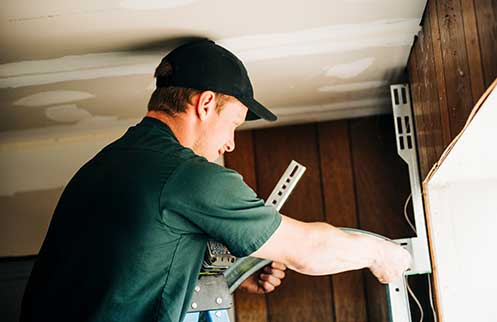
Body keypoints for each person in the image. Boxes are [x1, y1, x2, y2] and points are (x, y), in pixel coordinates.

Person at [20, 39, 411, 322]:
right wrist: (383, 254)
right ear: (206, 104)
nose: (231, 142)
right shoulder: (188, 175)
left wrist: (231, 278)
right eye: (234, 124)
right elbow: (307, 250)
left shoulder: (107, 164)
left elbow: (130, 271)